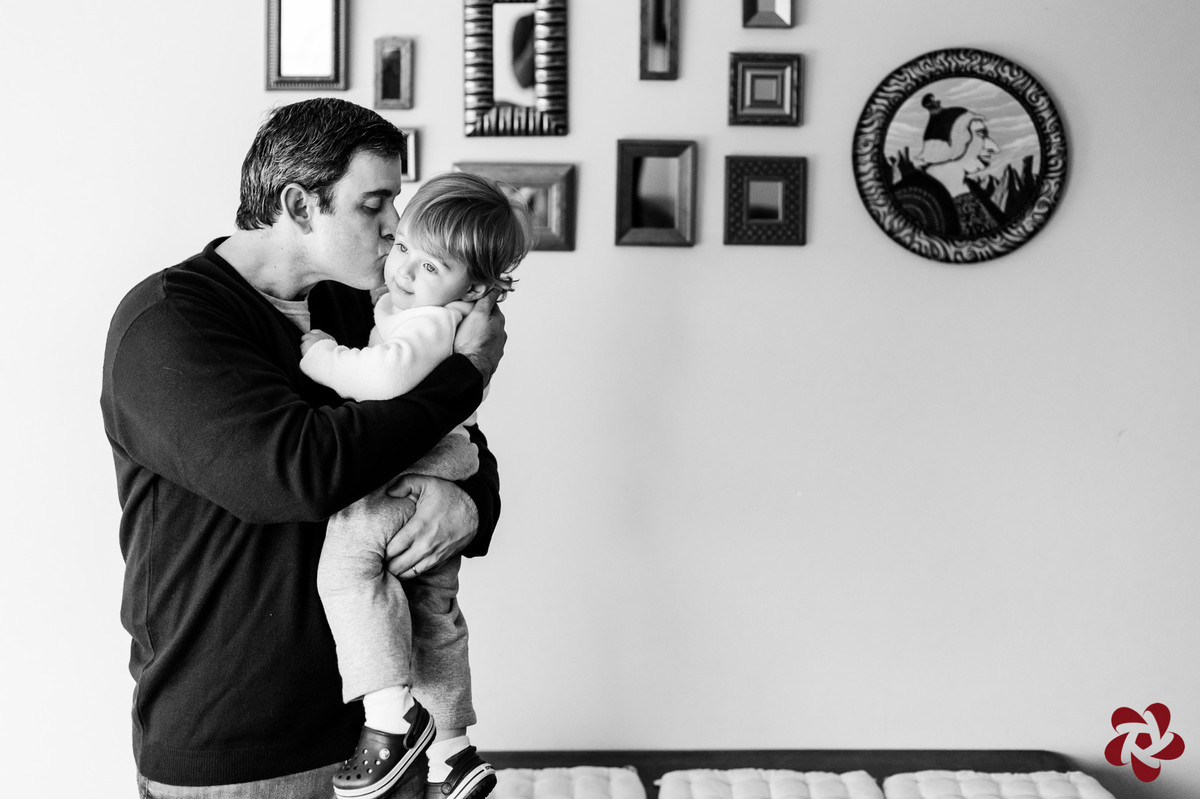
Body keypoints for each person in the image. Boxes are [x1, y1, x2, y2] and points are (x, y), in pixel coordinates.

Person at [100, 98, 506, 799]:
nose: (395, 228)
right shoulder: (167, 324)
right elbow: (297, 471)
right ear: (298, 203)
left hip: (381, 736)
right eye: (374, 203)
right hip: (236, 747)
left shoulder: (359, 309)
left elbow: (455, 446)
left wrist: (467, 506)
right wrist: (467, 374)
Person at [299, 172, 532, 799]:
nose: (402, 269)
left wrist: (320, 354)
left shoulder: (428, 323)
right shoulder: (430, 310)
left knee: (346, 568)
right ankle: (453, 751)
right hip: (445, 462)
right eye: (402, 247)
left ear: (476, 286)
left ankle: (389, 719)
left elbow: (380, 377)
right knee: (431, 612)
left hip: (416, 468)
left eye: (429, 264)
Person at [892, 92, 1005, 238]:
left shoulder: (972, 187)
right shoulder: (910, 197)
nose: (994, 148)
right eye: (981, 135)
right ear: (954, 143)